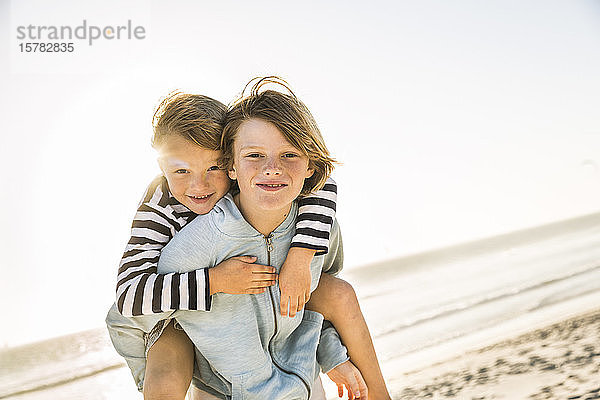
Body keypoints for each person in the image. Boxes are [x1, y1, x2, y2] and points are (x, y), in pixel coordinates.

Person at [106, 79, 390, 399]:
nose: (200, 186)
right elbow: (129, 299)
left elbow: (321, 181)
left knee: (335, 292)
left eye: (213, 167)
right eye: (182, 171)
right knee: (168, 366)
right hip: (163, 310)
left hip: (268, 324)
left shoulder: (282, 197)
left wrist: (300, 255)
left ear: (227, 164)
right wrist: (217, 280)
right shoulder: (160, 212)